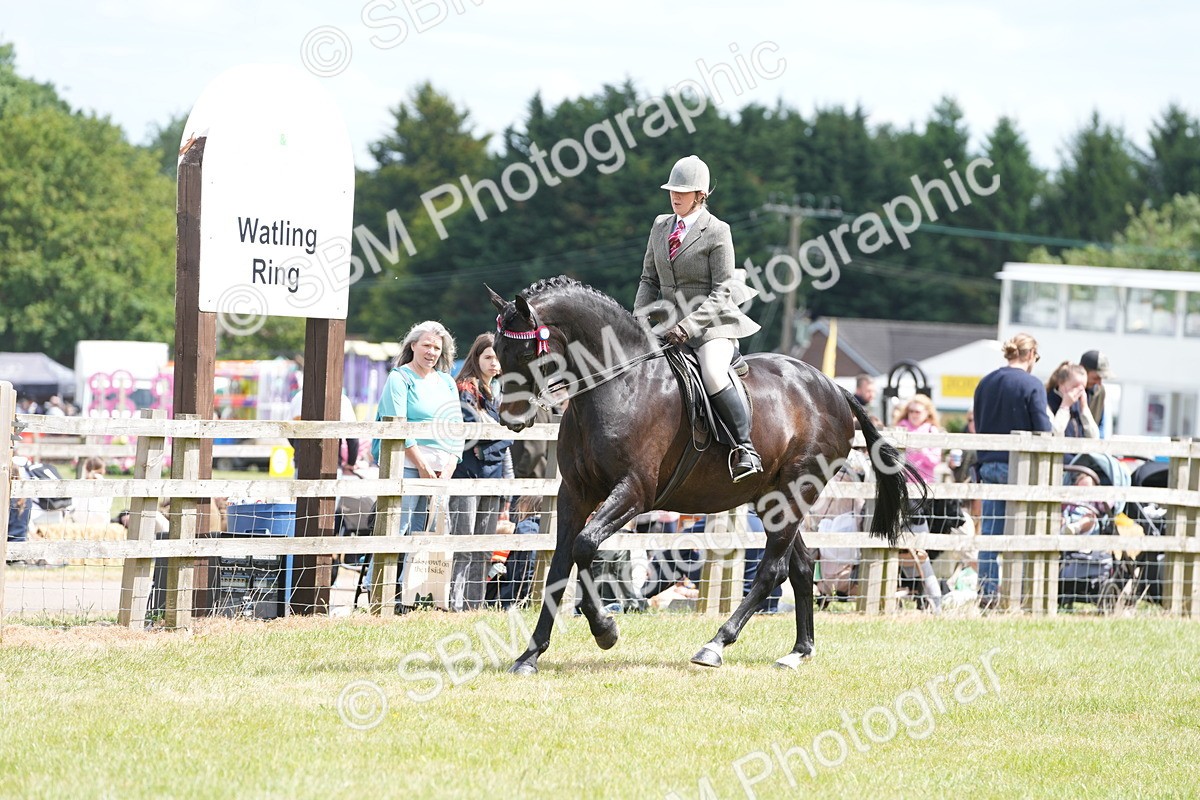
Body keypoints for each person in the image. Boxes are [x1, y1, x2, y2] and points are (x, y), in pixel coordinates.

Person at [634, 154, 763, 482]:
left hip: (711, 327)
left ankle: (745, 448)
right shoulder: (660, 225)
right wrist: (637, 320)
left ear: (700, 195)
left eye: (683, 191)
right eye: (672, 190)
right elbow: (649, 279)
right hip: (666, 325)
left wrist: (689, 326)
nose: (675, 196)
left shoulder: (717, 231)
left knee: (713, 372)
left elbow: (722, 292)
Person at [370, 320, 463, 596]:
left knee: (430, 530)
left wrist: (450, 464)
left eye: (437, 347)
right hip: (408, 465)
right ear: (413, 345)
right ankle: (383, 591)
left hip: (441, 469)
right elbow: (398, 424)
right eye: (426, 345)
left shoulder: (447, 382)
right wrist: (422, 465)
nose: (431, 352)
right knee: (401, 527)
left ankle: (415, 594)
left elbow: (456, 426)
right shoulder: (400, 378)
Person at [972, 333, 1053, 606]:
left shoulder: (985, 383)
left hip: (988, 464)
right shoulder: (1032, 384)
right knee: (1022, 534)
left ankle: (988, 594)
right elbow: (1043, 430)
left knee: (991, 534)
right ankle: (1018, 595)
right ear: (1030, 355)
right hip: (1019, 468)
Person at [448, 333, 513, 612]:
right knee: (465, 544)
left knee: (484, 546)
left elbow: (507, 437)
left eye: (497, 358)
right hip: (468, 474)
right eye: (488, 357)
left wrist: (496, 442)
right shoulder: (465, 388)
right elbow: (473, 434)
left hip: (493, 474)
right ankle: (455, 603)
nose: (494, 363)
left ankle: (474, 604)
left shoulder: (499, 391)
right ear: (476, 358)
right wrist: (499, 440)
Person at [892, 394, 942, 485]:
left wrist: (922, 450)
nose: (914, 414)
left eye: (917, 411)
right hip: (902, 482)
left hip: (925, 483)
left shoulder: (931, 430)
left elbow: (935, 461)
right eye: (911, 411)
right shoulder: (900, 428)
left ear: (927, 412)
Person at [1045, 361, 1099, 439]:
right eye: (1075, 386)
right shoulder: (1048, 403)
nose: (1079, 391)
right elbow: (1053, 434)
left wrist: (1084, 409)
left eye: (1083, 388)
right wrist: (1065, 407)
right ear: (1061, 383)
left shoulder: (1079, 405)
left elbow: (1094, 436)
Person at [1079, 350, 1112, 436]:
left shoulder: (1100, 391)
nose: (1099, 383)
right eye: (1096, 377)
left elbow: (1101, 425)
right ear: (1082, 369)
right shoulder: (1066, 389)